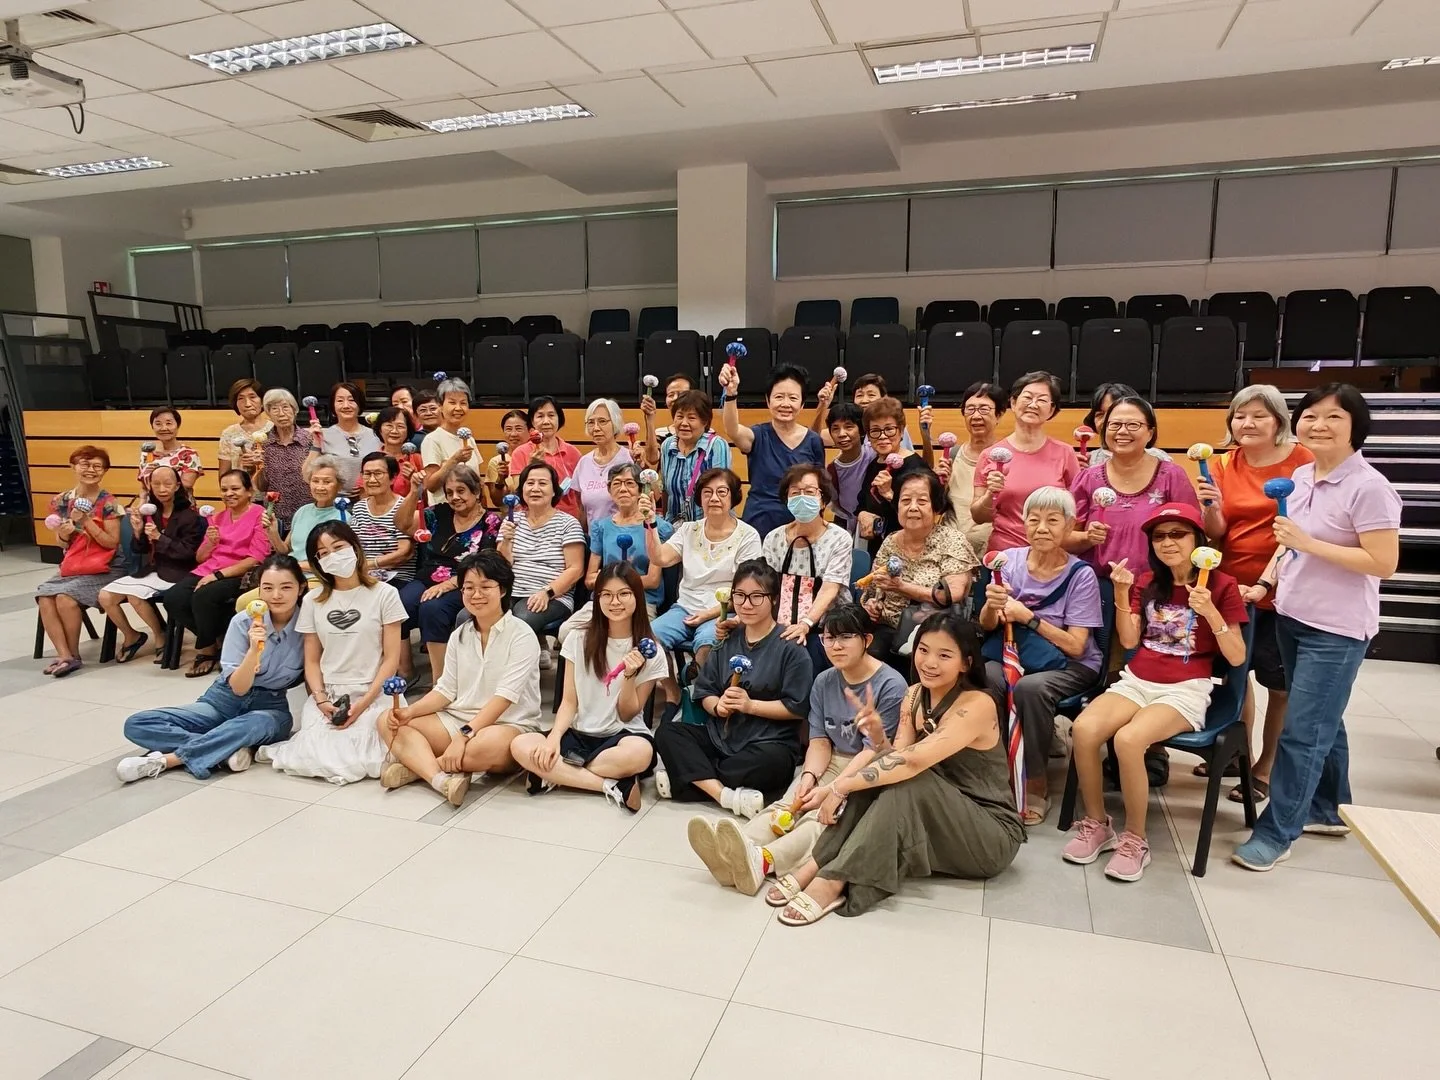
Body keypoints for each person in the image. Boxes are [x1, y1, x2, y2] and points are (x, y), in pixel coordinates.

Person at [1232, 384, 1401, 872]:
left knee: (1304, 731)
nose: (1319, 424)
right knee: (1327, 717)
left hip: (1337, 628)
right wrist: (1265, 583)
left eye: (1334, 417)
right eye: (1311, 415)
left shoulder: (1369, 487)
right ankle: (1329, 809)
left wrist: (1310, 542)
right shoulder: (1304, 475)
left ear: (1356, 428)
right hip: (1292, 614)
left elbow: (1382, 562)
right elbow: (1286, 544)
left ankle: (1278, 831)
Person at [773, 613, 1025, 924]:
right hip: (937, 812)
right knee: (887, 769)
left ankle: (834, 879)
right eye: (923, 650)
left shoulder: (977, 704)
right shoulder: (914, 694)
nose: (929, 662)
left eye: (944, 655)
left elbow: (913, 763)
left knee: (910, 780)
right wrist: (878, 737)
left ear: (965, 663)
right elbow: (896, 757)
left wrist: (841, 786)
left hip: (988, 833)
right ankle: (816, 863)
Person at [1064, 503, 1248, 882]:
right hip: (1138, 680)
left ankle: (1135, 838)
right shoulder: (1150, 581)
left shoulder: (1222, 584)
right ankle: (1098, 823)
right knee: (1083, 730)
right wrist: (1120, 592)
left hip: (1187, 688)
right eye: (1159, 536)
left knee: (1130, 741)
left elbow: (1236, 656)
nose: (1168, 542)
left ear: (1198, 540)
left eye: (1177, 534)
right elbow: (1131, 638)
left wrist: (1210, 612)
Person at [688, 605, 908, 898]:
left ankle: (763, 862)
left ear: (867, 640)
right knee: (788, 805)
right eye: (829, 638)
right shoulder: (824, 680)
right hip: (829, 760)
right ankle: (735, 847)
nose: (836, 646)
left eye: (846, 638)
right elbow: (819, 740)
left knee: (818, 819)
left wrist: (831, 789)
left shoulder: (891, 685)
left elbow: (874, 751)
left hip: (867, 770)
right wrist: (809, 777)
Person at [1198, 384, 1314, 803]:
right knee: (1235, 674)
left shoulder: (1303, 462)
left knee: (1277, 682)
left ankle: (1266, 765)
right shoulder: (1223, 464)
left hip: (1286, 588)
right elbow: (1217, 533)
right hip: (1232, 586)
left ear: (1279, 421)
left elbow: (1305, 532)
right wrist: (1210, 506)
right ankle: (1238, 754)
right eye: (1240, 416)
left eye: (1259, 416)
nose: (1247, 424)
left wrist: (1268, 581)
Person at [117, 555, 307, 783]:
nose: (276, 595)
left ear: (301, 588)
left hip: (269, 707)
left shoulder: (308, 627)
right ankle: (226, 748)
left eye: (286, 587)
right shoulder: (243, 622)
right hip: (223, 701)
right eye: (268, 588)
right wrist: (254, 652)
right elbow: (237, 688)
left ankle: (168, 760)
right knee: (138, 724)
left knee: (259, 723)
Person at [978, 487, 1104, 825]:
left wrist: (1028, 617)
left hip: (1070, 663)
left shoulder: (1081, 575)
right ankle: (998, 770)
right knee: (986, 678)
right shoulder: (1009, 561)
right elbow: (986, 625)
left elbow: (1078, 646)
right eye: (1034, 520)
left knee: (1030, 689)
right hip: (1013, 652)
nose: (1042, 528)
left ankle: (1035, 780)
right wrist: (993, 606)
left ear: (1069, 526)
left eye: (1052, 521)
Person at [379, 552, 544, 806]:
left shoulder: (522, 635)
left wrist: (464, 736)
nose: (476, 595)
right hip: (458, 720)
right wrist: (410, 712)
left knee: (482, 747)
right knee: (386, 721)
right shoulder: (460, 635)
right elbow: (445, 690)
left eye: (485, 586)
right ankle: (440, 778)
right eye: (468, 588)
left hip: (506, 725)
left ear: (502, 590)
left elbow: (504, 698)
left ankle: (418, 767)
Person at [652, 560, 812, 817]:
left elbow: (797, 708)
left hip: (767, 742)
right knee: (668, 733)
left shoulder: (790, 647)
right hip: (721, 737)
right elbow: (705, 691)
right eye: (739, 595)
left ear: (773, 600)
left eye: (756, 596)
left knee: (775, 764)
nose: (746, 604)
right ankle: (724, 795)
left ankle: (691, 779)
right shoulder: (727, 639)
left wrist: (750, 706)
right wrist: (717, 706)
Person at [511, 563, 668, 812]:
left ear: (637, 597)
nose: (615, 602)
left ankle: (554, 773)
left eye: (624, 594)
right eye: (606, 595)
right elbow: (569, 702)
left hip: (622, 736)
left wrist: (628, 676)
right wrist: (553, 738)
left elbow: (628, 714)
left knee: (639, 754)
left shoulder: (651, 650)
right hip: (578, 732)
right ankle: (611, 785)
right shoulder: (578, 638)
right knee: (520, 746)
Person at [259, 523, 406, 784]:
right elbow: (312, 660)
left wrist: (364, 703)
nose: (333, 556)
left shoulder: (386, 594)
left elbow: (391, 659)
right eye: (323, 553)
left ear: (355, 548)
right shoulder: (313, 600)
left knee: (367, 758)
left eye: (338, 548)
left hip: (374, 692)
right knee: (311, 757)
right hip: (331, 695)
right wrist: (321, 700)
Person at [643, 467, 762, 675]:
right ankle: (672, 694)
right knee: (648, 641)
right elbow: (659, 558)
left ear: (733, 497)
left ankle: (696, 698)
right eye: (707, 492)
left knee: (707, 645)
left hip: (724, 610)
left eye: (721, 492)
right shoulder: (689, 529)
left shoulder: (748, 536)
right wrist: (650, 523)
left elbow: (747, 589)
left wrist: (707, 614)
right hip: (685, 608)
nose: (714, 498)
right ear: (700, 498)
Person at [1069, 395, 1200, 577]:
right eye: (1114, 425)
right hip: (1097, 585)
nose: (1122, 431)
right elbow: (1064, 539)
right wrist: (1087, 537)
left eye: (1133, 425)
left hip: (1157, 586)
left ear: (1150, 433)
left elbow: (1192, 534)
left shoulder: (1172, 476)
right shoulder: (1087, 478)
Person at [164, 469, 272, 679]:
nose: (229, 493)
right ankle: (216, 640)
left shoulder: (260, 515)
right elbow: (200, 558)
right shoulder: (217, 517)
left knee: (203, 596)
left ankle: (205, 650)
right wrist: (211, 542)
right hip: (209, 569)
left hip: (241, 573)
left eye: (235, 488)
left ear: (249, 491)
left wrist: (218, 576)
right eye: (224, 489)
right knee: (173, 598)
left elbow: (256, 558)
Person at [862, 471, 978, 661]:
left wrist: (901, 587)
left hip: (935, 631)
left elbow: (952, 594)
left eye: (922, 501)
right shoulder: (890, 541)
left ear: (936, 508)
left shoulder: (952, 541)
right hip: (888, 628)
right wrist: (873, 606)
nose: (913, 508)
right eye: (905, 501)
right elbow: (874, 588)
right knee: (864, 652)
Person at [99, 465, 203, 664]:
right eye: (156, 484)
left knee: (135, 596)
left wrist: (159, 537)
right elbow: (139, 550)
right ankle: (132, 636)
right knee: (105, 596)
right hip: (153, 570)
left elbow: (188, 552)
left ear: (177, 486)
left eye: (167, 484)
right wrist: (138, 532)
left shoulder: (189, 516)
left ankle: (161, 636)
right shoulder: (151, 513)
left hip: (178, 572)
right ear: (150, 486)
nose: (162, 488)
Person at [559, 462, 672, 644]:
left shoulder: (657, 526)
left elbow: (652, 580)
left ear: (641, 489)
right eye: (616, 483)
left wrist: (612, 582)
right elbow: (589, 579)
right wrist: (613, 587)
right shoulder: (601, 527)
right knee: (567, 633)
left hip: (642, 601)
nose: (623, 489)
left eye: (629, 483)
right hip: (604, 599)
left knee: (624, 639)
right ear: (609, 490)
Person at [35, 445, 123, 678]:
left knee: (65, 597)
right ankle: (64, 655)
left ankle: (74, 654)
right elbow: (63, 544)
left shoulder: (109, 502)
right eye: (85, 464)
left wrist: (86, 522)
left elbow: (111, 543)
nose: (90, 470)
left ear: (104, 471)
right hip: (75, 564)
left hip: (106, 566)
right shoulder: (61, 501)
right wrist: (65, 533)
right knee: (44, 596)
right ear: (73, 466)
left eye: (97, 466)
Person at [396, 464, 490, 678]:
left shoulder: (490, 522)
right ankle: (406, 671)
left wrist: (447, 584)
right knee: (398, 603)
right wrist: (413, 492)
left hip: (466, 583)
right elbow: (402, 524)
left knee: (432, 608)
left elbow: (485, 565)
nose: (455, 497)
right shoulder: (438, 514)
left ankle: (440, 681)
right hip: (427, 578)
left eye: (461, 491)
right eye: (449, 493)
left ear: (476, 492)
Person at [760, 464, 855, 672]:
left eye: (810, 492)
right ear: (787, 499)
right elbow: (766, 588)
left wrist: (805, 623)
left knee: (803, 661)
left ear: (823, 500)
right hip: (780, 624)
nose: (802, 498)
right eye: (795, 493)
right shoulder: (773, 538)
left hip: (825, 626)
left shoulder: (839, 539)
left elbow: (830, 589)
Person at [972, 372, 1079, 553]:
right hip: (1005, 555)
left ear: (1052, 410)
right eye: (1027, 397)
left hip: (1051, 556)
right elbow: (978, 516)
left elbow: (1076, 513)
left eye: (1042, 400)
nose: (1033, 404)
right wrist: (991, 494)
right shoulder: (990, 455)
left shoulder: (1065, 453)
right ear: (1013, 403)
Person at [718, 363, 825, 537]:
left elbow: (821, 490)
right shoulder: (758, 435)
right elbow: (732, 430)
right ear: (768, 401)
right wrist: (731, 394)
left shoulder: (813, 441)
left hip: (800, 528)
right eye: (779, 397)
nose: (785, 403)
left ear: (803, 404)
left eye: (793, 398)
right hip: (759, 525)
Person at [497, 461, 586, 665]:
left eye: (542, 483)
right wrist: (506, 541)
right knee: (467, 616)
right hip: (511, 590)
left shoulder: (568, 523)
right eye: (530, 483)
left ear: (554, 490)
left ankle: (515, 685)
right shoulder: (511, 520)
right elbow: (501, 566)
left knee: (519, 622)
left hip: (552, 595)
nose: (535, 488)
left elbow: (575, 569)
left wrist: (547, 592)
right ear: (522, 490)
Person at [855, 396, 929, 549]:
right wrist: (862, 514)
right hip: (879, 547)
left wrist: (890, 495)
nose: (882, 436)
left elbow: (924, 513)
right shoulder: (875, 464)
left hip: (910, 548)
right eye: (875, 431)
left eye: (889, 429)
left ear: (901, 431)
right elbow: (863, 501)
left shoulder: (915, 466)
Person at [939, 381, 1006, 553]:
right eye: (970, 409)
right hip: (949, 550)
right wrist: (940, 485)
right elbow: (938, 507)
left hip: (990, 552)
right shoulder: (952, 455)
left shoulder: (1006, 459)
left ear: (999, 414)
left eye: (984, 409)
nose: (976, 416)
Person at [653, 390, 731, 524]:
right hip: (675, 529)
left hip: (709, 526)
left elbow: (721, 494)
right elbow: (666, 491)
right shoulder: (667, 445)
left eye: (691, 418)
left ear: (705, 421)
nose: (684, 423)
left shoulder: (716, 445)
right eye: (679, 416)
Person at [506, 396, 582, 521]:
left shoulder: (573, 452)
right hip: (533, 521)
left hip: (568, 521)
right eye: (540, 416)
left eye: (551, 415)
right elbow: (518, 490)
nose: (546, 421)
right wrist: (531, 466)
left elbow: (580, 496)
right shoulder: (521, 452)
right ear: (532, 421)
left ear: (559, 419)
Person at [262, 454, 341, 573]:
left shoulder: (343, 517)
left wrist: (294, 566)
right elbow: (285, 551)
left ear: (339, 485)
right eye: (315, 481)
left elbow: (335, 563)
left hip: (318, 577)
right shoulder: (302, 511)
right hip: (291, 573)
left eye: (327, 482)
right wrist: (273, 532)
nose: (320, 487)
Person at [351, 452, 417, 584]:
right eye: (367, 474)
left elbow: (404, 552)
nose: (372, 480)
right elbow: (353, 547)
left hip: (397, 577)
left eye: (378, 474)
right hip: (364, 575)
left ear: (393, 478)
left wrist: (369, 564)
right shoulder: (359, 508)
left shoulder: (403, 508)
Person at [810, 372, 915, 450]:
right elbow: (814, 438)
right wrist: (823, 405)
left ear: (884, 398)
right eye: (859, 395)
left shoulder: (893, 428)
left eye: (871, 395)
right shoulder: (850, 427)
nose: (864, 400)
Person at [310, 381, 381, 494]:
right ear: (333, 405)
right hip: (333, 502)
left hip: (370, 501)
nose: (346, 405)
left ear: (360, 404)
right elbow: (307, 475)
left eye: (352, 400)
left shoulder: (376, 435)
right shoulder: (323, 435)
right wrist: (316, 444)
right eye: (340, 401)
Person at [572, 398, 633, 526]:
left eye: (602, 421)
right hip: (594, 539)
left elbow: (651, 496)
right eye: (590, 422)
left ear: (615, 423)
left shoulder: (629, 458)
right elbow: (582, 508)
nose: (596, 428)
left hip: (624, 534)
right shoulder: (584, 462)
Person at [257, 388, 311, 533]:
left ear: (295, 410)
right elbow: (261, 487)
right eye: (274, 409)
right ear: (268, 414)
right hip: (275, 515)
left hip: (307, 512)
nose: (281, 414)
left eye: (285, 407)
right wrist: (255, 467)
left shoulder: (310, 440)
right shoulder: (262, 443)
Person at [420, 376, 477, 507]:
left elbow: (477, 479)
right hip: (445, 511)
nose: (458, 408)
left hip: (472, 512)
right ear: (440, 406)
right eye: (452, 402)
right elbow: (430, 485)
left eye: (463, 403)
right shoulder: (432, 440)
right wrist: (454, 460)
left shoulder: (469, 439)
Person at [1082, 382, 1168, 467]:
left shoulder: (1159, 459)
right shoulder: (1089, 461)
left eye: (1114, 413)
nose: (1107, 421)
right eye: (1100, 414)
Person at [823, 402, 874, 539]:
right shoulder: (832, 471)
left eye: (849, 427)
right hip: (853, 531)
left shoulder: (876, 453)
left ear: (862, 429)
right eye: (835, 429)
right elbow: (837, 507)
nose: (841, 434)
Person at [138, 406, 201, 492]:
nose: (164, 428)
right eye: (158, 424)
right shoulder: (148, 454)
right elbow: (144, 487)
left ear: (177, 425)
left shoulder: (188, 454)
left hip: (180, 503)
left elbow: (187, 484)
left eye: (169, 423)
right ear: (152, 427)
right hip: (151, 504)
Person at [219, 378, 272, 474]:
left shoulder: (275, 429)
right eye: (241, 398)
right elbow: (223, 476)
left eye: (252, 397)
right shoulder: (229, 433)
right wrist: (241, 464)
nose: (247, 404)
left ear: (262, 401)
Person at [371, 405, 422, 496]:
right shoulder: (371, 460)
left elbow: (427, 495)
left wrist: (414, 480)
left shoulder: (417, 459)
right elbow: (364, 495)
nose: (394, 431)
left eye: (400, 426)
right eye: (389, 425)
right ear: (380, 429)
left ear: (408, 430)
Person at [485, 410, 530, 507]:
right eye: (508, 429)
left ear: (530, 431)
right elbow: (497, 502)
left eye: (518, 429)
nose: (513, 434)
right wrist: (500, 480)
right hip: (510, 518)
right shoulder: (496, 462)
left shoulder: (536, 457)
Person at [642, 371, 694, 447]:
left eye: (681, 394)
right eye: (671, 395)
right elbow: (652, 458)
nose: (675, 398)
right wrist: (649, 418)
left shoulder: (706, 433)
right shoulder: (660, 433)